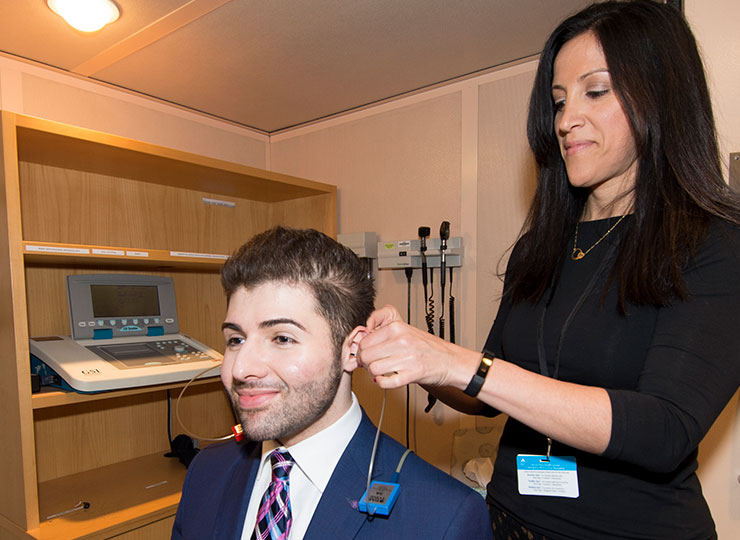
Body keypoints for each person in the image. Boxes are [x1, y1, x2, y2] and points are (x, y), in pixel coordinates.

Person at [354, 2, 740, 539]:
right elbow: (484, 393)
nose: (565, 120)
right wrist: (419, 354)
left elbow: (663, 430)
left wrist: (462, 363)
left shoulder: (714, 243)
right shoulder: (540, 247)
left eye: (596, 91)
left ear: (662, 94)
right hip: (511, 520)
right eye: (558, 101)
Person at [171, 226, 493, 540]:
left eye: (282, 338)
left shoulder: (443, 518)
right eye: (236, 339)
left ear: (352, 350)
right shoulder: (206, 472)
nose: (240, 369)